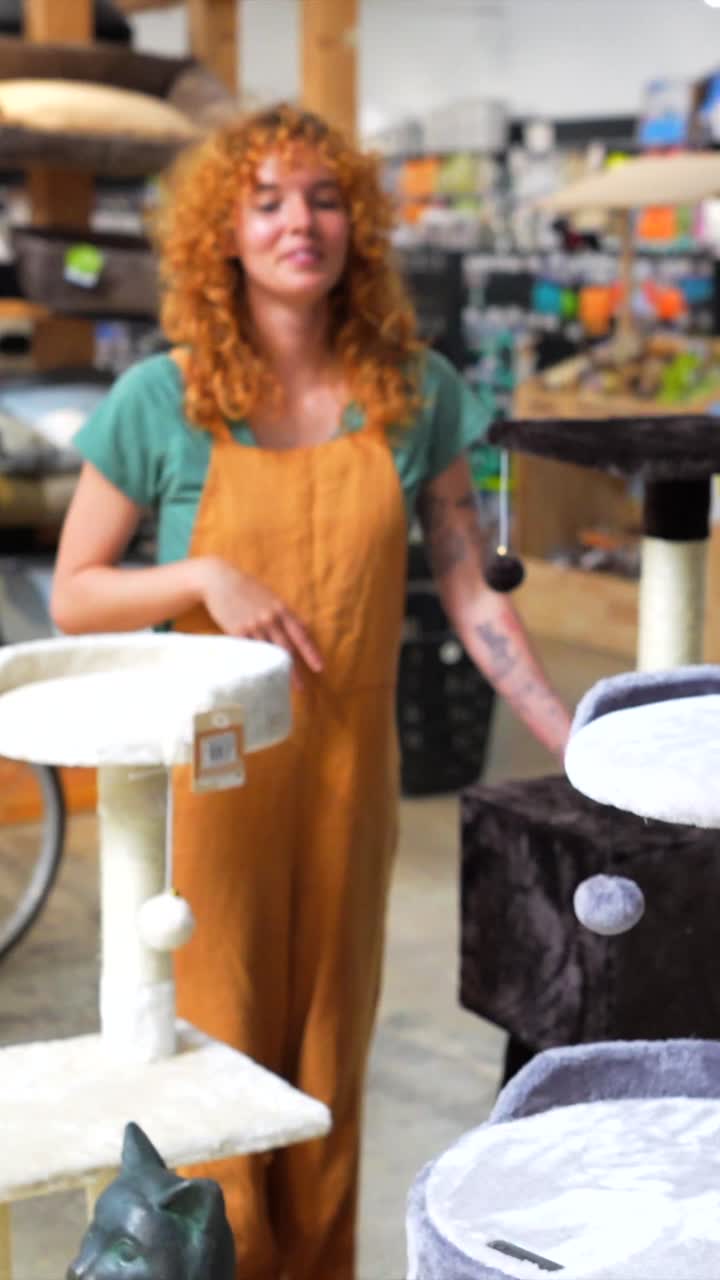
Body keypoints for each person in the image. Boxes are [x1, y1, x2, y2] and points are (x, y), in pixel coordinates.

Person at [51, 104, 572, 1280]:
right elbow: (77, 591)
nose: (302, 222)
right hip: (204, 794)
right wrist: (199, 572)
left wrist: (577, 738)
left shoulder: (415, 390)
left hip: (346, 781)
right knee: (207, 1062)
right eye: (270, 199)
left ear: (360, 225)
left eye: (326, 198)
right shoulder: (161, 399)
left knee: (325, 1068)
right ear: (222, 233)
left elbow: (470, 591)